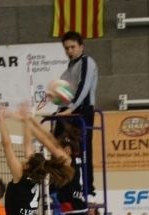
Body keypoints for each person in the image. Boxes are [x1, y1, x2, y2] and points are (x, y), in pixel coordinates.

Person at [55, 30, 98, 196]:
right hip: (67, 111)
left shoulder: (87, 62)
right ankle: (62, 184)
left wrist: (70, 109)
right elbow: (65, 93)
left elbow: (83, 87)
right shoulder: (69, 68)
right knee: (59, 144)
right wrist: (59, 109)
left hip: (82, 111)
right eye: (66, 48)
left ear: (81, 46)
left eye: (72, 47)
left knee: (83, 149)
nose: (69, 51)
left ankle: (87, 187)